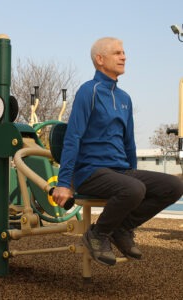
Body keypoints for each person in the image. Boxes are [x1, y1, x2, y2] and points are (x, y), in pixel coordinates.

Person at [52, 37, 183, 266]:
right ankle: (97, 234)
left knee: (174, 186)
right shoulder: (88, 91)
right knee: (133, 188)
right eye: (117, 53)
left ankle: (121, 228)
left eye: (124, 52)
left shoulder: (124, 98)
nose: (124, 57)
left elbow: (129, 142)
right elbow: (73, 137)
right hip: (90, 172)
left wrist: (133, 171)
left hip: (120, 172)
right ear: (100, 59)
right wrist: (64, 182)